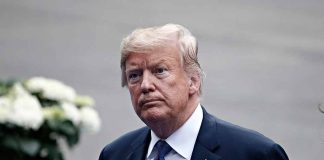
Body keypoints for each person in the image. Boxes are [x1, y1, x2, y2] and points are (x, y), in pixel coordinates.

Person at [99, 24, 289, 160]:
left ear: (193, 81)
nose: (145, 85)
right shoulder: (115, 154)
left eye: (160, 71)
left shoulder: (255, 154)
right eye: (134, 75)